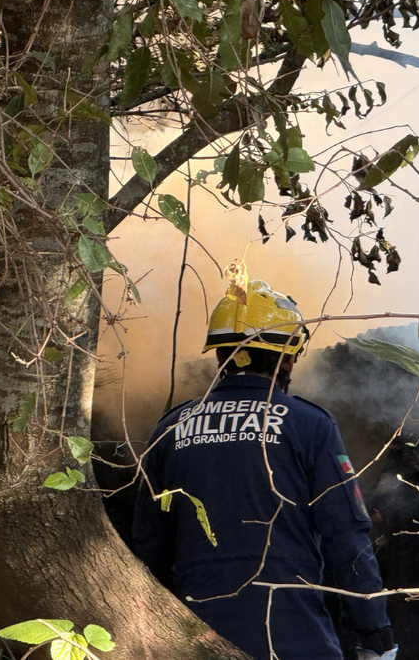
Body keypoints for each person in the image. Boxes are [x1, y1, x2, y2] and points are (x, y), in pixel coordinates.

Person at [133, 278, 397, 660]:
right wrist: (375, 634)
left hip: (190, 640)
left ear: (220, 356)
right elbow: (347, 538)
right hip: (293, 638)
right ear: (288, 356)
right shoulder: (310, 424)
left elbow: (148, 545)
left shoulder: (170, 428)